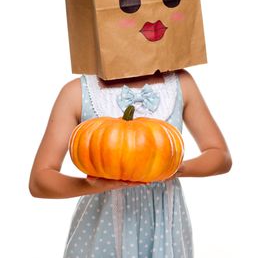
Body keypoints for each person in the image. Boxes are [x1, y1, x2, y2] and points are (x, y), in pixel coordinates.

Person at [29, 68, 232, 257]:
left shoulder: (180, 84)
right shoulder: (77, 92)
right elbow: (40, 180)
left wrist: (173, 167)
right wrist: (91, 185)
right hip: (103, 230)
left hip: (163, 227)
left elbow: (220, 156)